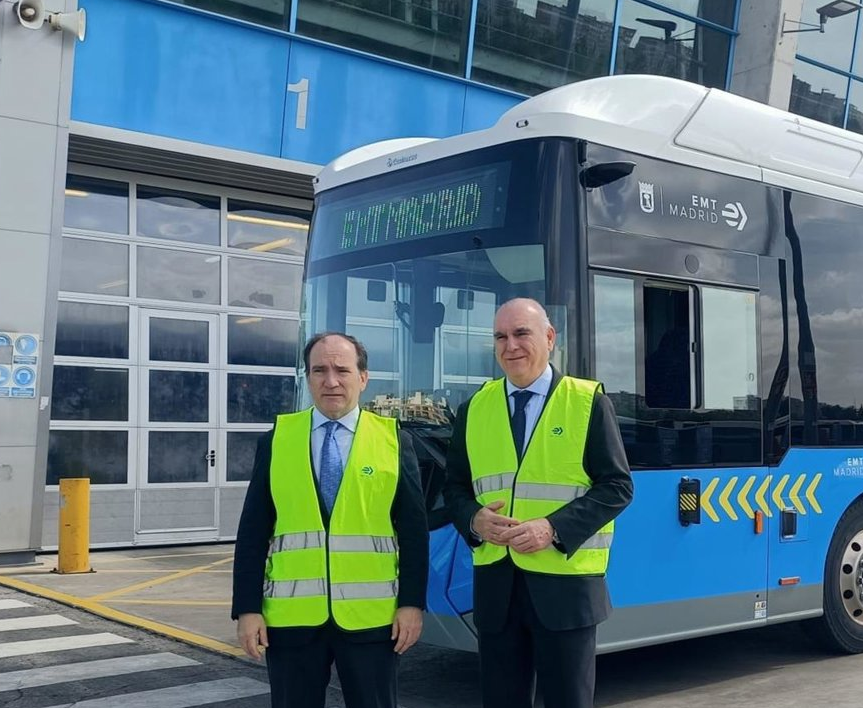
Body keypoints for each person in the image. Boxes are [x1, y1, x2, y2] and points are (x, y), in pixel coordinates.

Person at [443, 298, 633, 708]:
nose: (510, 346)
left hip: (565, 594)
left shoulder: (587, 402)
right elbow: (454, 487)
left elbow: (617, 486)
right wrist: (474, 521)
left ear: (549, 338)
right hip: (497, 593)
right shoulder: (474, 408)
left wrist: (553, 527)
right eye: (500, 337)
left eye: (521, 333)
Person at [232, 331, 429, 708]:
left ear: (363, 378)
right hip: (292, 622)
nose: (331, 381)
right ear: (307, 377)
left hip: (372, 621)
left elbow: (414, 533)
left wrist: (412, 604)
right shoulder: (277, 440)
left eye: (342, 369)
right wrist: (247, 609)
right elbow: (253, 532)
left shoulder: (393, 440)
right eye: (319, 370)